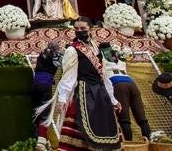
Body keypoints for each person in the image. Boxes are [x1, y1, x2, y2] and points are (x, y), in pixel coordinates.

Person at [46, 17, 120, 151]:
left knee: (104, 127)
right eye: (76, 29)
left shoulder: (97, 49)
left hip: (100, 93)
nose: (79, 31)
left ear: (90, 29)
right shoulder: (72, 50)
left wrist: (113, 99)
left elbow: (104, 75)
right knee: (80, 127)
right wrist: (62, 99)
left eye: (83, 28)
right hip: (84, 92)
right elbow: (68, 76)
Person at [101, 44, 150, 141]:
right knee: (141, 117)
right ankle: (150, 142)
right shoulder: (120, 60)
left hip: (117, 84)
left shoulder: (101, 58)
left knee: (124, 118)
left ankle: (129, 143)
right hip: (131, 83)